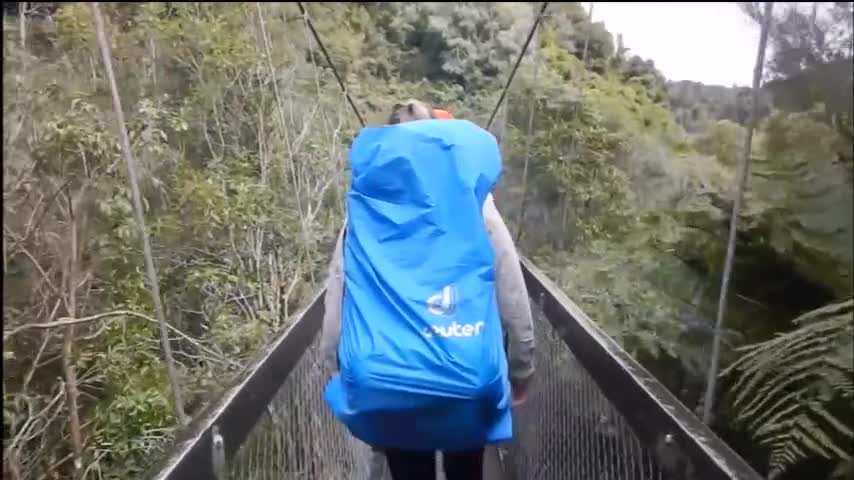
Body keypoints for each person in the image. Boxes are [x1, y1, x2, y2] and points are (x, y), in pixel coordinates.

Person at [320, 99, 535, 480]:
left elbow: (339, 292)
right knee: (465, 469)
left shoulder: (365, 211)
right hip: (467, 375)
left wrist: (340, 367)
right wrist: (521, 368)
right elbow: (512, 293)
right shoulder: (477, 203)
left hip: (388, 378)